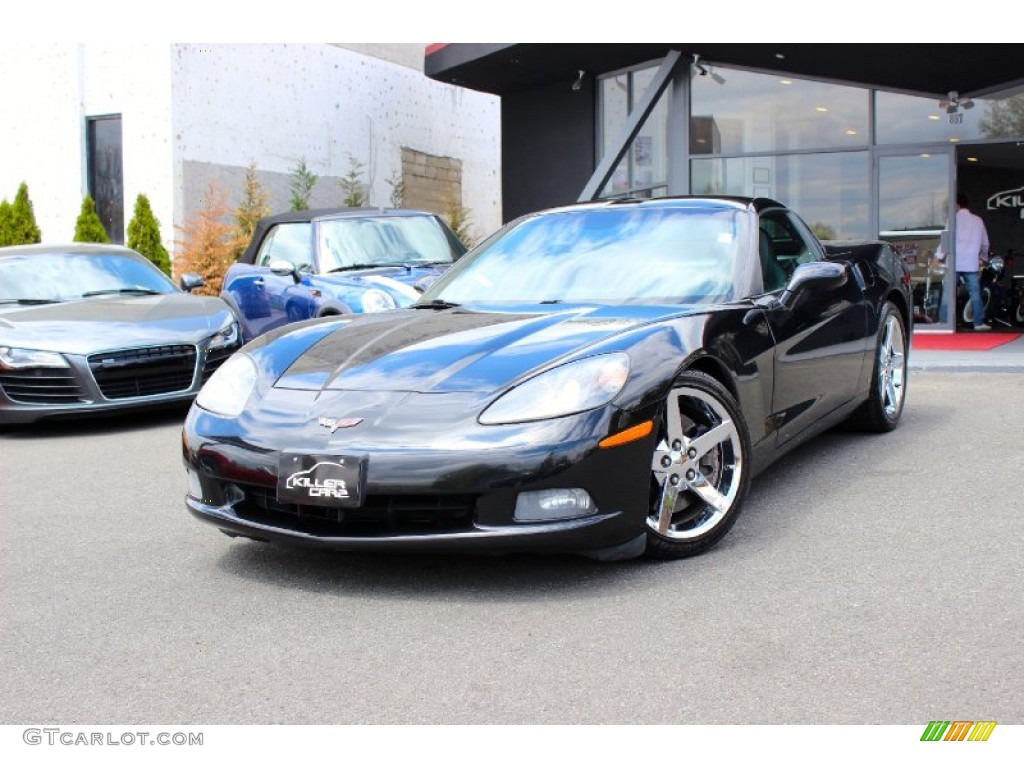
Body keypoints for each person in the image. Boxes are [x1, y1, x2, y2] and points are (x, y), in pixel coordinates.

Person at [936, 193, 991, 330]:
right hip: (971, 263)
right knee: (975, 293)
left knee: (948, 293)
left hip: (954, 261)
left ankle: (944, 322)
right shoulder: (978, 220)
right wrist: (983, 258)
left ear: (957, 205)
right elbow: (985, 243)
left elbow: (946, 240)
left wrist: (938, 257)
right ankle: (978, 323)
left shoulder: (952, 220)